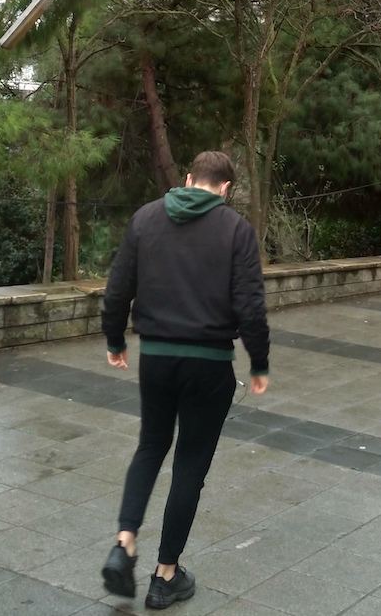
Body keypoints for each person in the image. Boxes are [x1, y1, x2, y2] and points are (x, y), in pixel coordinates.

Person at [100, 151, 270, 610]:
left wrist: (114, 338)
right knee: (190, 466)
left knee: (150, 446)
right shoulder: (235, 230)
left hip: (155, 357)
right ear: (226, 188)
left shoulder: (146, 219)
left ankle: (124, 543)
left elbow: (118, 287)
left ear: (189, 179)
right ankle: (165, 575)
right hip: (208, 363)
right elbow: (250, 305)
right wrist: (258, 362)